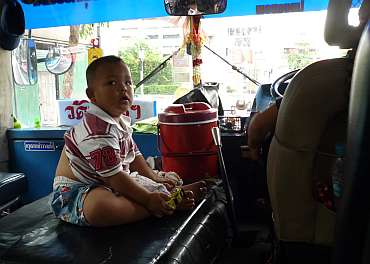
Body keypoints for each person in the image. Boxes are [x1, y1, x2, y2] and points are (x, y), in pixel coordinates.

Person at [50, 55, 207, 227]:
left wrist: (154, 177)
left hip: (109, 182)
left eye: (128, 82)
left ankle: (165, 197)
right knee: (100, 207)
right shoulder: (96, 131)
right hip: (75, 192)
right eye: (112, 83)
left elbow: (134, 156)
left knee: (140, 181)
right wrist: (147, 200)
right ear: (92, 95)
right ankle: (165, 204)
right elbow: (114, 178)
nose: (123, 88)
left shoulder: (120, 120)